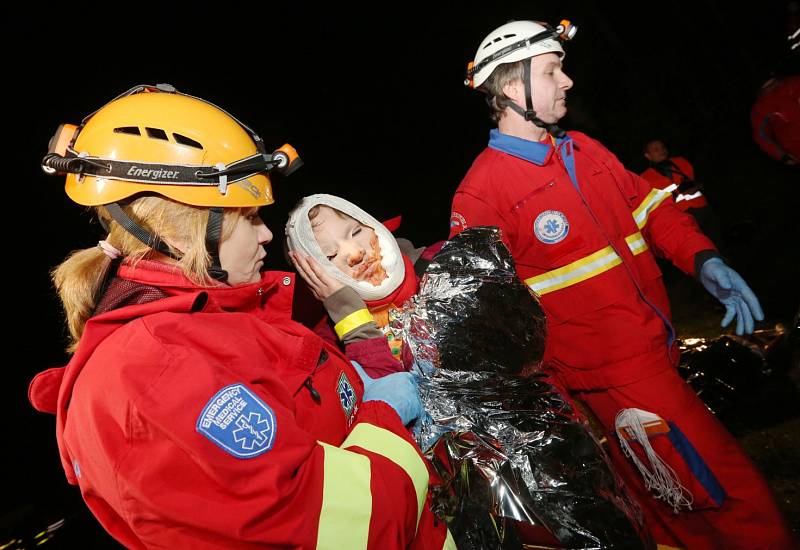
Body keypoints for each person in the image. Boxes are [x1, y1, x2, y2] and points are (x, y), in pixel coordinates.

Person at [28, 85, 453, 549]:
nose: (266, 233)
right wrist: (385, 414)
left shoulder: (218, 320)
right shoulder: (155, 372)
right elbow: (352, 528)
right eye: (247, 216)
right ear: (183, 226)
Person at [450, 20, 795, 549]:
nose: (566, 82)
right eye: (551, 71)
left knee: (674, 500)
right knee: (725, 493)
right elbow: (487, 319)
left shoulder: (583, 150)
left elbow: (651, 211)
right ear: (511, 88)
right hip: (612, 378)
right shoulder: (481, 194)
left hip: (653, 350)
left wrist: (703, 259)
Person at [285, 194, 440, 374]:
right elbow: (388, 395)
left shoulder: (442, 260)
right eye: (330, 256)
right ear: (315, 277)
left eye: (356, 232)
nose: (355, 254)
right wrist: (353, 324)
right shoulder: (330, 346)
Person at [640, 139, 721, 246]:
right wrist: (674, 196)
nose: (661, 151)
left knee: (718, 244)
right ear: (648, 156)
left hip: (703, 210)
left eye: (663, 147)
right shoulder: (645, 178)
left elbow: (704, 179)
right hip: (679, 219)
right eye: (656, 149)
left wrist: (696, 186)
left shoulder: (681, 162)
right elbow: (651, 207)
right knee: (698, 248)